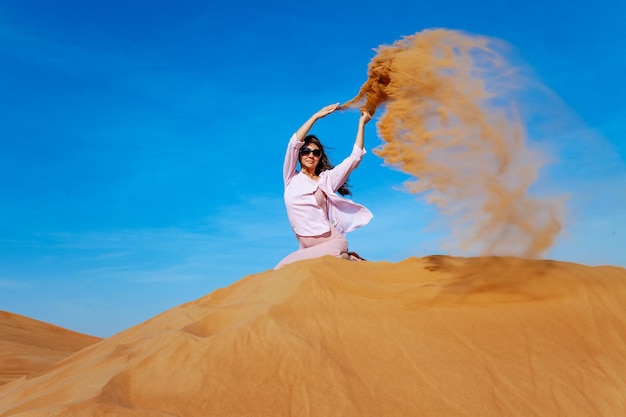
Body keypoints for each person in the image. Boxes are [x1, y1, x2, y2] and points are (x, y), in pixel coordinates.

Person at [275, 103, 373, 269]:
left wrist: (361, 124)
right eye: (306, 151)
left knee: (337, 258)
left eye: (316, 152)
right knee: (280, 270)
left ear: (320, 157)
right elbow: (293, 143)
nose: (310, 155)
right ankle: (349, 258)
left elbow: (354, 158)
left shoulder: (326, 179)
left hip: (331, 241)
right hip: (305, 247)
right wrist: (315, 116)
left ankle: (350, 261)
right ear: (299, 156)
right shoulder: (290, 178)